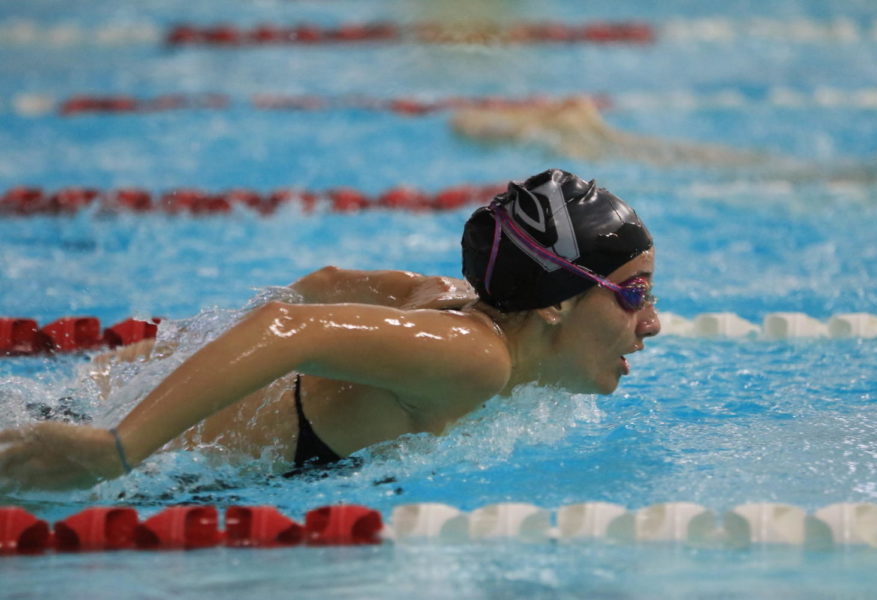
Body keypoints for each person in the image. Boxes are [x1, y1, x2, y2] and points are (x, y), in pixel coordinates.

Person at [0, 168, 660, 491]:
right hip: (86, 448)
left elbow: (326, 281)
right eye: (633, 295)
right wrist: (116, 448)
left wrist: (159, 363)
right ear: (557, 301)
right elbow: (291, 324)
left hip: (87, 397)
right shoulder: (474, 357)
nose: (651, 324)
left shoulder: (452, 301)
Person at [452, 95, 769, 167]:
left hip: (583, 140)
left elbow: (465, 124)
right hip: (592, 139)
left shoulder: (557, 129)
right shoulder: (568, 119)